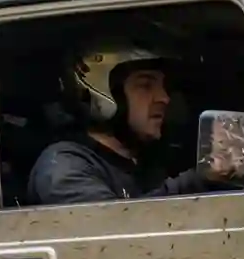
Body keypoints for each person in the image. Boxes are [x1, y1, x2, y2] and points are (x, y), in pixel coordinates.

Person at [28, 53, 230, 206]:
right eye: (145, 85)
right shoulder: (64, 166)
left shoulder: (148, 161)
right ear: (102, 95)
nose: (164, 98)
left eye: (163, 87)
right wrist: (198, 181)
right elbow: (113, 237)